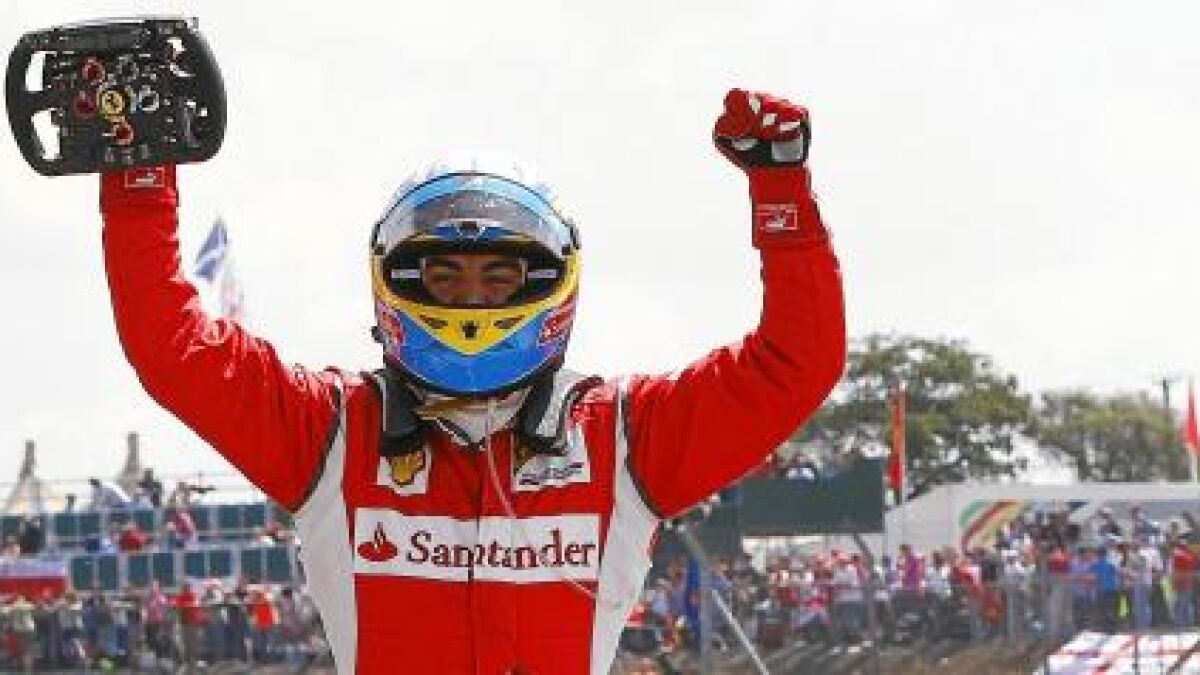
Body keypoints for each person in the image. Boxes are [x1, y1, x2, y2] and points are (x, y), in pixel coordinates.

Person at [97, 89, 845, 673]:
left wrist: (782, 195)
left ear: (550, 280)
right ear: (395, 279)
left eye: (498, 277)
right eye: (446, 276)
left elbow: (795, 365)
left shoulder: (621, 435)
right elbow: (174, 347)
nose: (472, 301)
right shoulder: (328, 429)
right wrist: (139, 178)